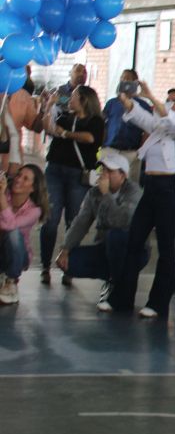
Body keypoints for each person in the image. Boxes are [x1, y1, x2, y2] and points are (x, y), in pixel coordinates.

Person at [107, 84, 175, 319]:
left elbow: (172, 122)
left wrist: (151, 97)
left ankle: (158, 303)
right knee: (134, 241)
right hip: (150, 187)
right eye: (168, 100)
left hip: (169, 189)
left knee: (166, 247)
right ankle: (121, 299)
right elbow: (141, 117)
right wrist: (126, 100)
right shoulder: (158, 127)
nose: (169, 104)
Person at [55, 151, 144, 311]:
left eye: (110, 171)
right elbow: (81, 222)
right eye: (103, 170)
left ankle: (119, 290)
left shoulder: (134, 191)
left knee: (116, 236)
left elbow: (121, 221)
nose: (104, 174)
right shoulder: (93, 193)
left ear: (123, 175)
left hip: (133, 251)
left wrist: (106, 194)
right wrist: (65, 248)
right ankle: (112, 278)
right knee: (69, 263)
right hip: (105, 248)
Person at [36, 84, 105, 287]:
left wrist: (65, 134)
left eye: (73, 96)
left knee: (73, 221)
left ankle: (68, 266)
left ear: (84, 100)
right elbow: (49, 128)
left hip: (78, 175)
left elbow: (90, 138)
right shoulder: (64, 116)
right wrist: (49, 106)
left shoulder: (95, 121)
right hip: (55, 170)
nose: (69, 99)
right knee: (50, 219)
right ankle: (45, 266)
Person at [0, 165, 48, 305]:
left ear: (33, 188)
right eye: (18, 175)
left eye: (25, 178)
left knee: (13, 233)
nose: (19, 179)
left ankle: (11, 282)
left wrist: (1, 198)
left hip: (19, 256)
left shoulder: (35, 210)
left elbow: (11, 225)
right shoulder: (5, 194)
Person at [101, 69, 153, 181]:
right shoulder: (112, 102)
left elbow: (147, 130)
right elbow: (104, 124)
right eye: (122, 78)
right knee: (106, 180)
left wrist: (140, 150)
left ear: (135, 82)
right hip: (110, 148)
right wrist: (103, 144)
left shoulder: (143, 105)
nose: (124, 80)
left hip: (131, 151)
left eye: (127, 78)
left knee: (129, 183)